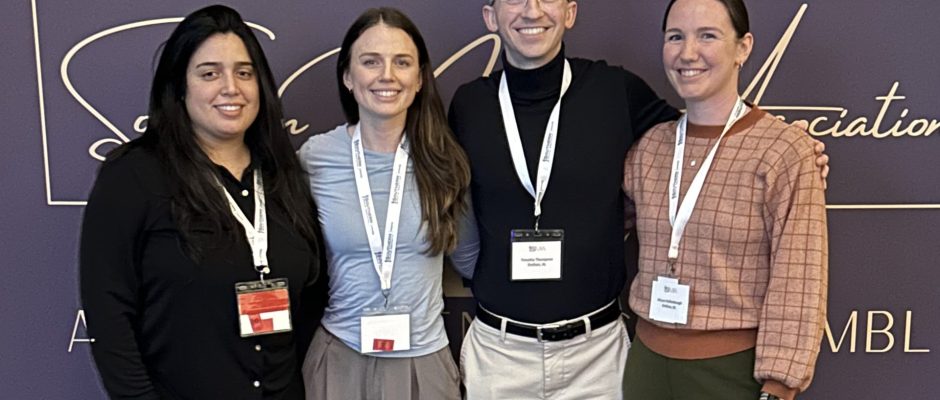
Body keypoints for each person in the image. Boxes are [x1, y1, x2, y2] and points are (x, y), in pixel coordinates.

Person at [449, 1, 830, 399]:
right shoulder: (468, 105)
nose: (532, 10)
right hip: (500, 354)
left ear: (570, 12)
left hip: (596, 357)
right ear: (490, 16)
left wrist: (785, 144)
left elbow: (708, 136)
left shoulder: (615, 91)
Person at [79, 5, 322, 399]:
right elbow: (109, 316)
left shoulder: (284, 175)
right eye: (209, 74)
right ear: (179, 86)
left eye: (244, 73)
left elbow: (312, 299)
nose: (231, 88)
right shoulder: (134, 176)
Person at [621, 1, 828, 399]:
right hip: (646, 365)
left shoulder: (784, 150)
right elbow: (603, 224)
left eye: (708, 36)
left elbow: (799, 277)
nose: (688, 53)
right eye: (675, 37)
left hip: (733, 372)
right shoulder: (650, 148)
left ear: (743, 47)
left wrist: (779, 385)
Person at [297, 8, 478, 400]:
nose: (387, 75)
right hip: (340, 357)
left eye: (402, 62)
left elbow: (469, 260)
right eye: (370, 62)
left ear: (420, 78)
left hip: (424, 364)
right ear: (348, 76)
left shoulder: (444, 160)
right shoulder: (316, 158)